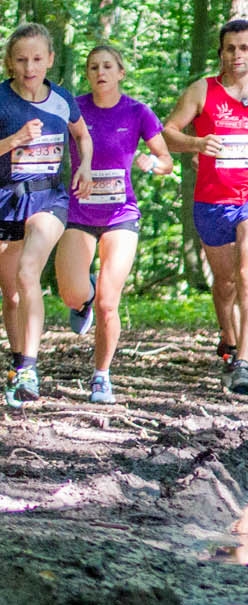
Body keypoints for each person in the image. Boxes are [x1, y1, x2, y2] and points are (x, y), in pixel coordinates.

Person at [163, 19, 248, 395]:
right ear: (221, 53)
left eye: (245, 48)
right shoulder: (201, 91)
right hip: (211, 200)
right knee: (224, 283)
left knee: (247, 273)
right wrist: (196, 144)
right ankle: (228, 337)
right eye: (230, 49)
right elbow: (168, 133)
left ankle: (244, 363)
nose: (237, 55)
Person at [56, 45, 174, 404]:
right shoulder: (74, 108)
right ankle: (83, 299)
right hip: (80, 212)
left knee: (110, 302)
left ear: (121, 72)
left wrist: (150, 164)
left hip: (121, 215)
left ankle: (101, 377)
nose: (100, 72)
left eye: (107, 66)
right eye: (93, 67)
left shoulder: (138, 112)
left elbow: (166, 160)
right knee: (72, 293)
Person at [0, 23, 93, 408]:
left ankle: (30, 370)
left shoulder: (62, 99)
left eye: (37, 59)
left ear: (50, 60)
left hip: (48, 199)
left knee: (27, 273)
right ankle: (18, 362)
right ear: (9, 63)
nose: (29, 67)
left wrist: (84, 166)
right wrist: (14, 141)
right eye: (21, 59)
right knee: (12, 295)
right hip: (5, 200)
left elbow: (82, 135)